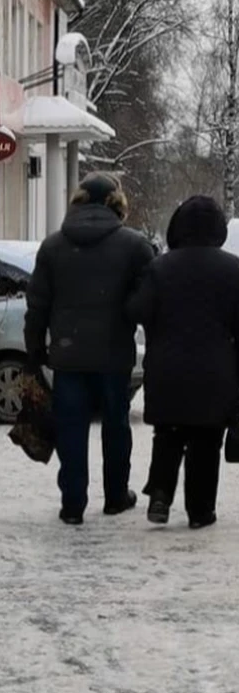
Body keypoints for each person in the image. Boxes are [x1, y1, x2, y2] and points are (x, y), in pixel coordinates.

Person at [24, 172, 155, 525]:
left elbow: (37, 305)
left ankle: (73, 503)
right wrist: (128, 314)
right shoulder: (134, 245)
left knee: (71, 428)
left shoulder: (53, 246)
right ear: (118, 204)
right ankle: (115, 496)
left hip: (68, 355)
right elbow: (149, 300)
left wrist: (34, 348)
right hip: (114, 355)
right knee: (116, 426)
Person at [128, 195, 239, 529]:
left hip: (167, 368)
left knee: (169, 435)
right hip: (215, 371)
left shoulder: (160, 267)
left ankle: (161, 494)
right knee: (207, 440)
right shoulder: (233, 269)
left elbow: (137, 310)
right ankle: (200, 510)